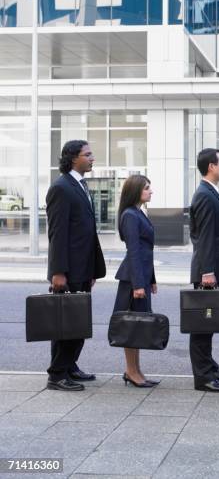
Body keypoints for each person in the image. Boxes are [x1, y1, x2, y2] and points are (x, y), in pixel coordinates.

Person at [46, 140, 106, 391]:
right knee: (67, 323)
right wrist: (57, 272)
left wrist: (92, 269)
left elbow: (86, 232)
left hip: (83, 268)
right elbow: (57, 234)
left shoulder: (80, 185)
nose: (93, 158)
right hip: (68, 270)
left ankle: (70, 366)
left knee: (78, 322)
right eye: (88, 155)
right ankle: (57, 374)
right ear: (73, 158)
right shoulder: (61, 187)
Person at [189, 148, 219, 392]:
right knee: (202, 326)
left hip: (215, 270)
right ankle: (204, 377)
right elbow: (204, 236)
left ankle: (210, 368)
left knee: (209, 323)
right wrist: (207, 272)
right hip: (209, 273)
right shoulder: (205, 195)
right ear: (211, 166)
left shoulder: (211, 192)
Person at [113, 175, 159, 388]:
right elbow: (133, 250)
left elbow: (145, 251)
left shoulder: (138, 212)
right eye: (147, 188)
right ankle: (131, 371)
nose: (151, 191)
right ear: (136, 191)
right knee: (132, 326)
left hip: (140, 277)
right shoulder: (131, 215)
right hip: (132, 280)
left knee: (137, 326)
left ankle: (135, 370)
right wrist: (139, 284)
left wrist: (151, 279)